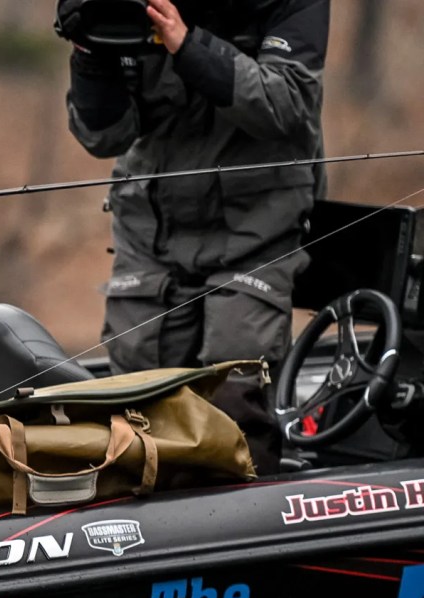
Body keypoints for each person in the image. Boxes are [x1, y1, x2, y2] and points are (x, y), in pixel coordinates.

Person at [57, 0, 329, 473]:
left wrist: (187, 45)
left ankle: (245, 510)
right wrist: (89, 51)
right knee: (137, 393)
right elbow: (105, 137)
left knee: (234, 394)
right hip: (153, 231)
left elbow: (286, 105)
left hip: (256, 231)